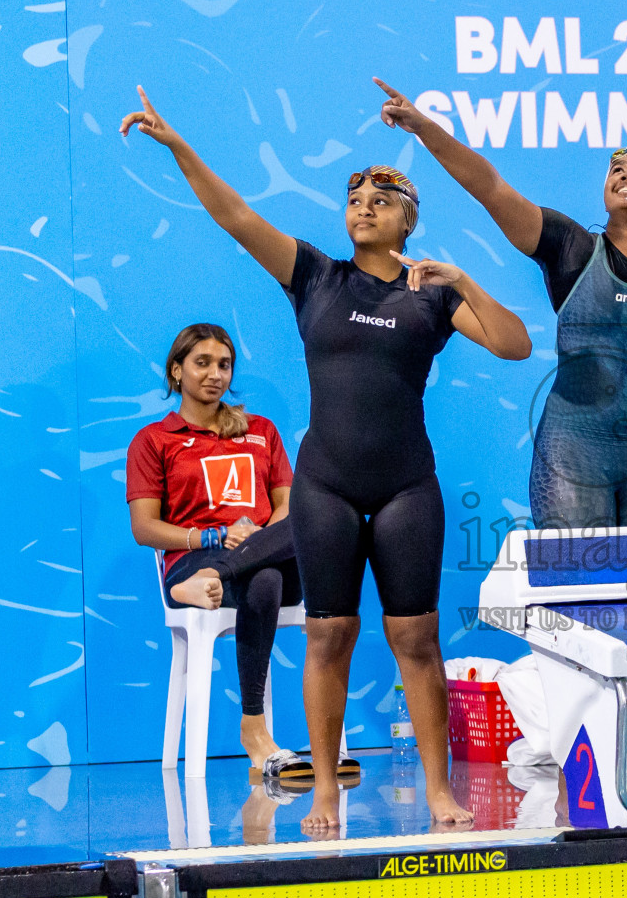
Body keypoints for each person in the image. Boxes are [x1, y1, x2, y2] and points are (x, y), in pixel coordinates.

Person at [120, 87, 532, 832]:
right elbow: (235, 217)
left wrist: (463, 281)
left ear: (409, 219)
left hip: (407, 483)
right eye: (354, 195)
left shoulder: (432, 297)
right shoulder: (316, 275)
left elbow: (514, 344)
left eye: (383, 196)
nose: (364, 203)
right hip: (326, 484)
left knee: (417, 639)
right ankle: (326, 792)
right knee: (329, 633)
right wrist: (178, 146)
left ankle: (441, 793)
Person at [371, 78, 627, 530]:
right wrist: (424, 128)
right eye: (617, 168)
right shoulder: (569, 247)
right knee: (576, 595)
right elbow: (491, 187)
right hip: (572, 453)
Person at [126, 323, 306, 778]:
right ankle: (254, 729)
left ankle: (217, 575)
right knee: (263, 579)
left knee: (311, 517)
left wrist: (257, 538)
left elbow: (285, 507)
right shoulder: (154, 441)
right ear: (176, 370)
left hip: (261, 555)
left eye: (224, 364)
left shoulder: (261, 430)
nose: (215, 374)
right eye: (201, 363)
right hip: (195, 561)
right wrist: (211, 538)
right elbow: (144, 528)